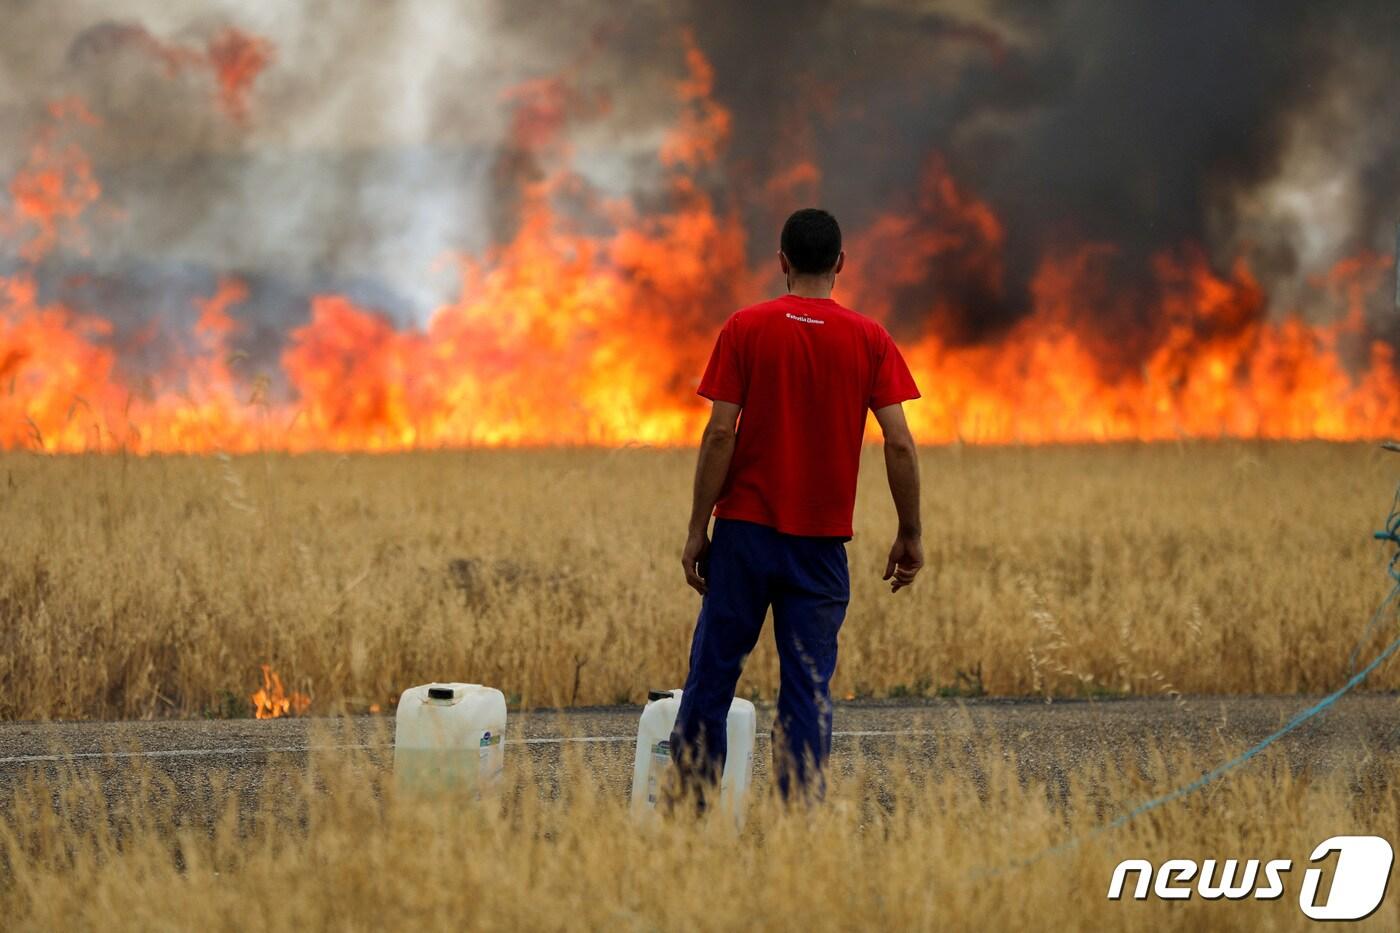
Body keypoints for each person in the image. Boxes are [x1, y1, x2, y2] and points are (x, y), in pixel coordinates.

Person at [670, 207, 924, 806]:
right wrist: (910, 531)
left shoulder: (744, 328)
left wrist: (696, 528)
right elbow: (901, 442)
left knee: (712, 676)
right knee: (808, 690)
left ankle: (689, 819)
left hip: (744, 537)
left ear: (781, 261)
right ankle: (798, 826)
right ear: (840, 263)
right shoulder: (870, 339)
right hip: (820, 547)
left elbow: (719, 434)